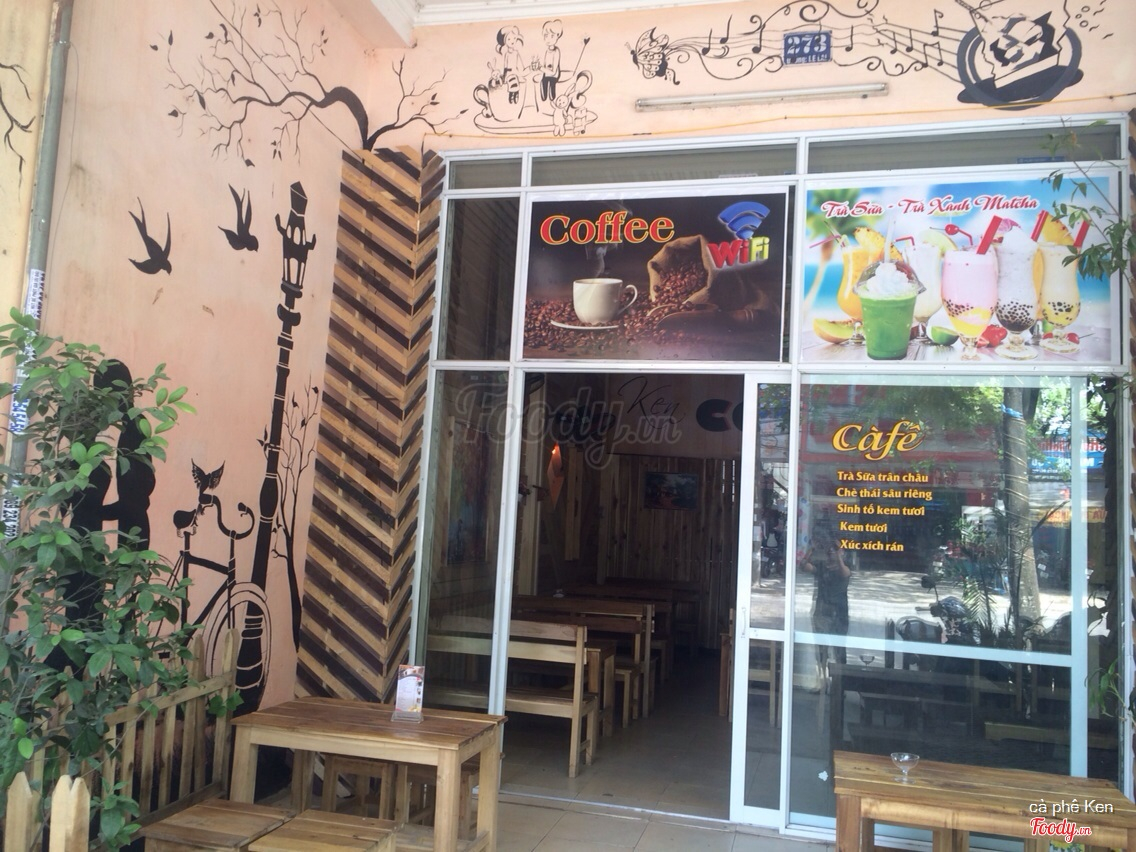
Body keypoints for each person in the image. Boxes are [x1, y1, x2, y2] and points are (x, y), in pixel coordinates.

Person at [800, 530, 851, 679]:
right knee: (821, 649)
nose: (831, 552)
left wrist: (839, 556)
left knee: (839, 649)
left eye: (835, 549)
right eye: (830, 550)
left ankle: (839, 682)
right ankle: (822, 678)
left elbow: (845, 573)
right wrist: (813, 549)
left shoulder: (845, 567)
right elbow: (803, 565)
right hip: (822, 612)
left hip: (839, 614)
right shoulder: (822, 567)